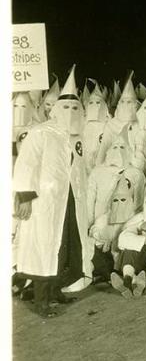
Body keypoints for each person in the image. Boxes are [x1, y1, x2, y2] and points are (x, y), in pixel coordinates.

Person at [12, 66, 92, 315]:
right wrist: (25, 197)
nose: (70, 113)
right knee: (44, 247)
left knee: (66, 247)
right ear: (55, 109)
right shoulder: (41, 132)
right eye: (65, 107)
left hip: (68, 201)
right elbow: (26, 165)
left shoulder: (75, 137)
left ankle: (57, 290)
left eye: (75, 108)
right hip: (44, 202)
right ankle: (41, 301)